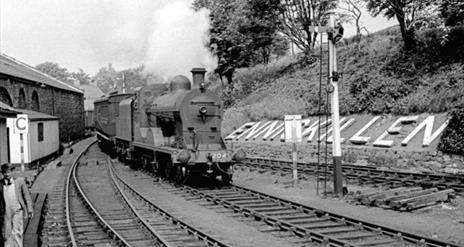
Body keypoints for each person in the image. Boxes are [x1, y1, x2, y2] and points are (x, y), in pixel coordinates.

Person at [0, 164, 33, 247]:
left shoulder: (19, 181)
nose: (7, 175)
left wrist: (30, 209)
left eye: (8, 172)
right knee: (7, 234)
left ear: (12, 172)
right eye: (4, 173)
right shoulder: (1, 184)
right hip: (6, 212)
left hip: (17, 210)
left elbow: (26, 195)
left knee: (17, 233)